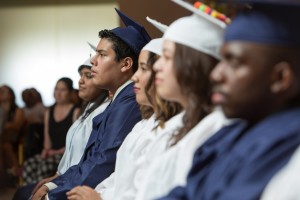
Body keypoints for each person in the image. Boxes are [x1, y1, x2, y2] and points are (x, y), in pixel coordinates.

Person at [158, 0, 300, 199]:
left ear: (280, 78)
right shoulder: (229, 135)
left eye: (233, 62)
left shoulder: (292, 159)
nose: (216, 74)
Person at [31, 8, 149, 200]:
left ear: (126, 64)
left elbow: (104, 162)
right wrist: (54, 184)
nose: (93, 60)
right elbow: (91, 159)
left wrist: (53, 195)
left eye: (102, 54)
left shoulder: (128, 101)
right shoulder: (118, 100)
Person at [135, 1, 235, 199]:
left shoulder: (215, 132)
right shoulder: (179, 126)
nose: (157, 67)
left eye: (167, 57)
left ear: (193, 65)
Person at [66, 38, 183, 200]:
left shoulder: (174, 129)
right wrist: (99, 194)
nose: (135, 77)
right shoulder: (144, 124)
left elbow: (145, 189)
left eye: (143, 68)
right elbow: (120, 177)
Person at [13, 54, 110, 200]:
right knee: (26, 184)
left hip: (76, 181)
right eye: (80, 75)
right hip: (65, 176)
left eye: (88, 75)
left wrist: (54, 183)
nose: (80, 81)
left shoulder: (100, 112)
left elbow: (84, 162)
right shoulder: (87, 109)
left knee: (24, 194)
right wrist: (55, 177)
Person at [22, 77, 80, 185]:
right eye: (57, 89)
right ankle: (30, 193)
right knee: (29, 165)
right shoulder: (49, 111)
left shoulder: (75, 111)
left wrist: (56, 152)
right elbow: (47, 137)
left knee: (44, 166)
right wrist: (46, 150)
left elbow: (75, 142)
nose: (58, 93)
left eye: (63, 90)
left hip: (66, 153)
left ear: (71, 92)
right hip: (52, 152)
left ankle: (39, 194)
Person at [0, 84, 25, 185]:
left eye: (3, 91)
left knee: (5, 145)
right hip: (3, 137)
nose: (0, 93)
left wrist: (7, 123)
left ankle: (15, 171)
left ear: (10, 95)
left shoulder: (17, 110)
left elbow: (16, 126)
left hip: (13, 138)